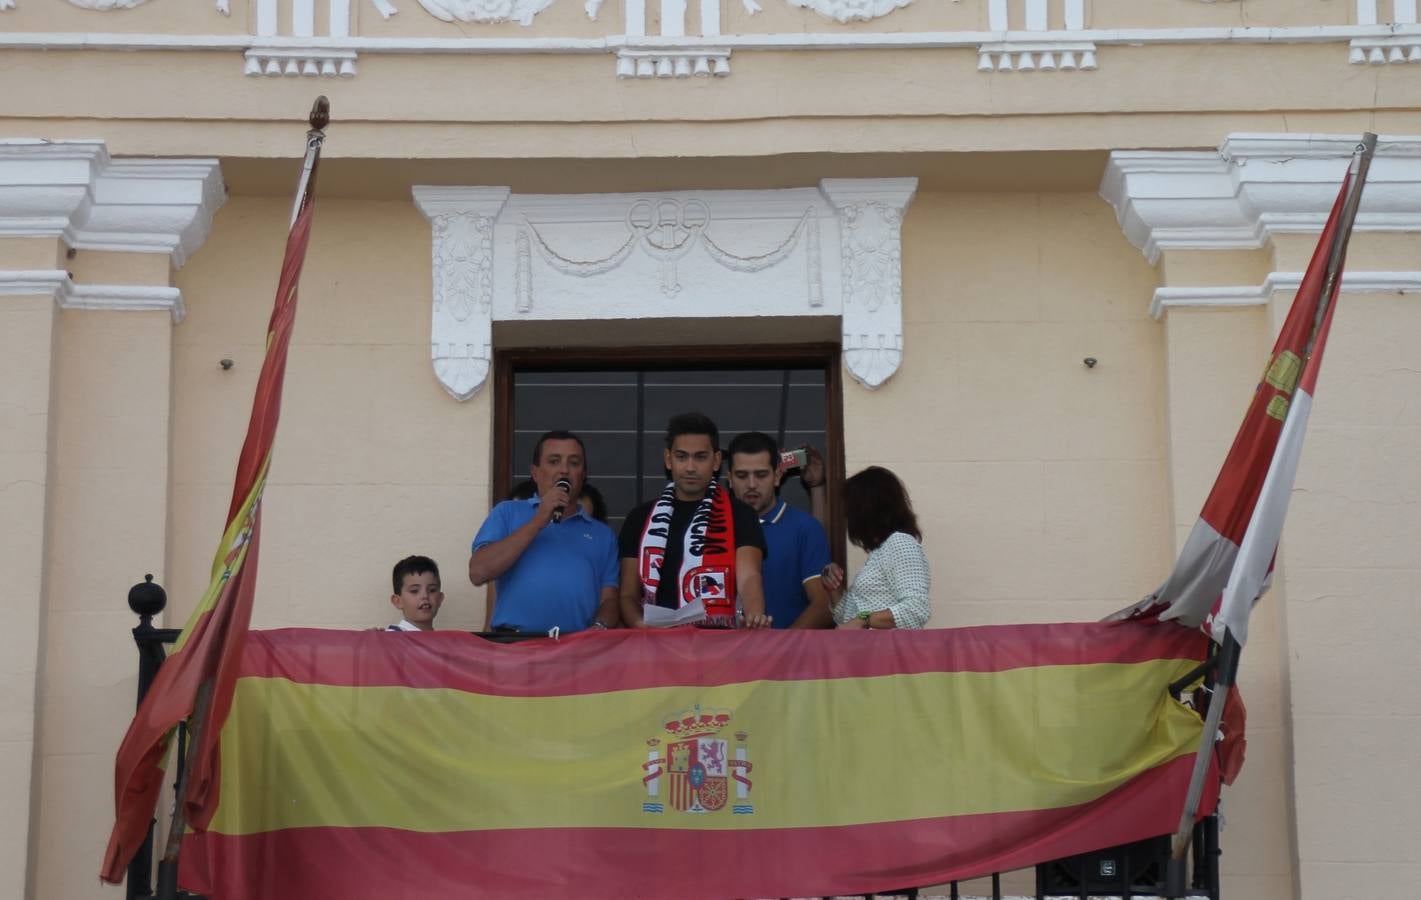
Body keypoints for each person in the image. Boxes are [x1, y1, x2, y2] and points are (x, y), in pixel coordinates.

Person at [619, 413, 771, 629]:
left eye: (700, 457)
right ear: (668, 459)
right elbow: (627, 595)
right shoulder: (640, 518)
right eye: (682, 457)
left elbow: (749, 577)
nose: (690, 467)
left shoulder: (741, 514)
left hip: (719, 647)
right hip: (656, 645)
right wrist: (639, 625)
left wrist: (755, 616)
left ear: (716, 460)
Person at [469, 430, 621, 634]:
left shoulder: (603, 535)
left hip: (577, 647)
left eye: (574, 463)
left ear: (583, 474)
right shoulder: (507, 512)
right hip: (516, 646)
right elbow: (478, 572)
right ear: (535, 472)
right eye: (554, 461)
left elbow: (610, 599)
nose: (564, 470)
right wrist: (539, 520)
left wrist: (599, 627)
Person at [726, 431, 833, 629]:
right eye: (742, 475)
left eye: (761, 474)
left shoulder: (805, 528)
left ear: (777, 476)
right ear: (729, 479)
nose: (751, 484)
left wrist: (782, 649)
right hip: (722, 655)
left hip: (789, 656)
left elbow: (823, 605)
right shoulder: (713, 527)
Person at [821, 466, 932, 630]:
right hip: (871, 652)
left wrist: (863, 619)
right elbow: (847, 618)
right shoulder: (881, 551)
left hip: (889, 653)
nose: (847, 516)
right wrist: (833, 586)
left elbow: (917, 608)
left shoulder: (899, 543)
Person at [387, 555, 444, 632]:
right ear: (397, 601)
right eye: (414, 591)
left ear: (440, 599)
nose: (425, 596)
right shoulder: (388, 639)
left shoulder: (443, 641)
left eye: (432, 590)